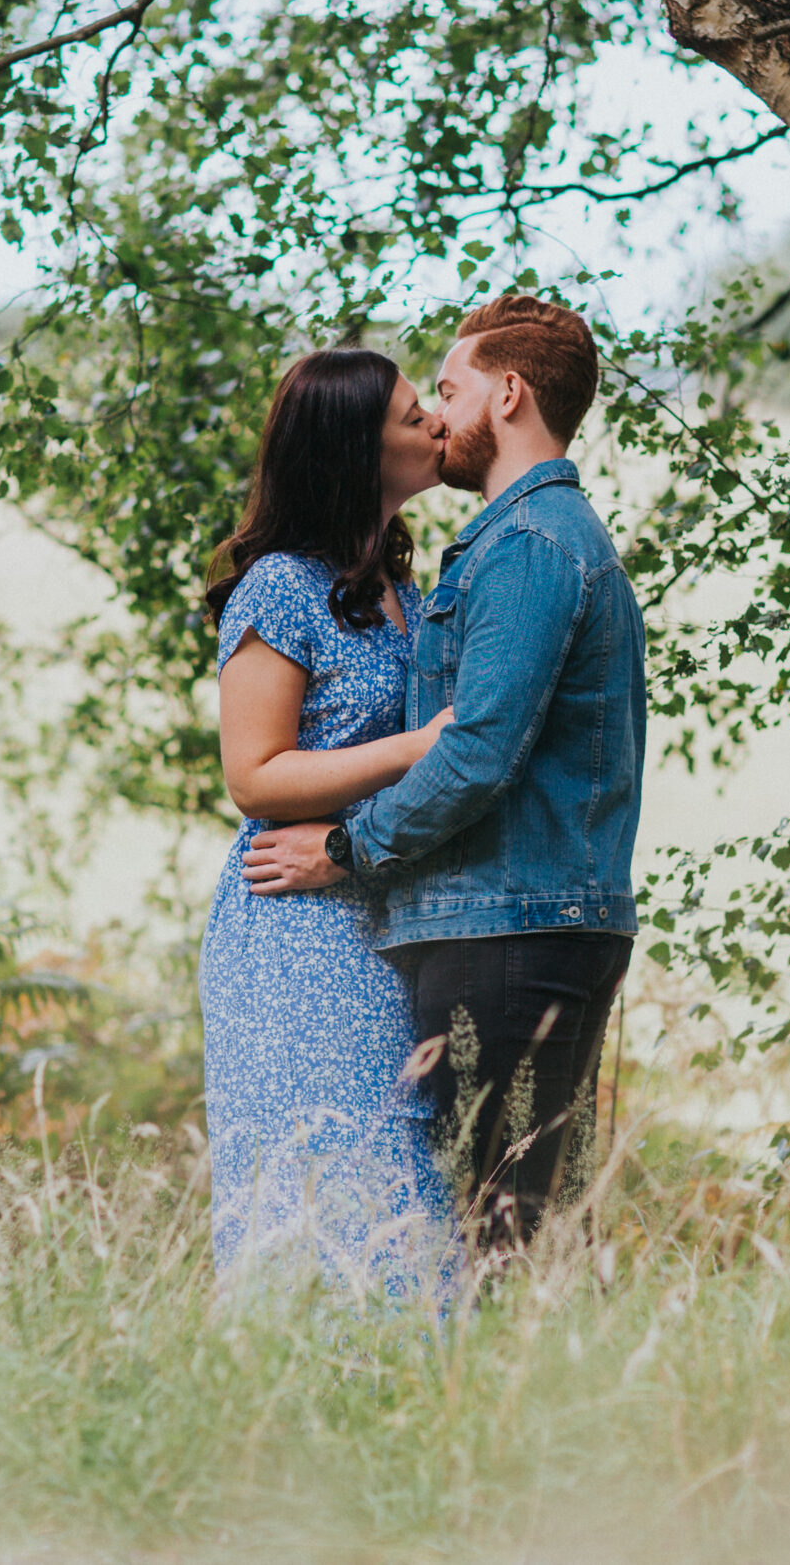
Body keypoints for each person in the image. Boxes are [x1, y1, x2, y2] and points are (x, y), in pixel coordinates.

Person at [242, 295, 647, 1253]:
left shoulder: (528, 545)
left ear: (508, 395)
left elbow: (474, 752)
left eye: (451, 391)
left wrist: (346, 848)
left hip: (504, 928)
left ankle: (494, 1397)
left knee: (486, 1232)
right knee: (505, 1223)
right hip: (517, 923)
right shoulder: (525, 541)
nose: (437, 417)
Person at [197, 346, 459, 1299]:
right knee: (321, 1183)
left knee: (401, 1180)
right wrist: (419, 746)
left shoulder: (402, 588)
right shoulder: (279, 586)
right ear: (354, 449)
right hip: (295, 927)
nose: (434, 421)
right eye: (408, 414)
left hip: (372, 900)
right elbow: (254, 773)